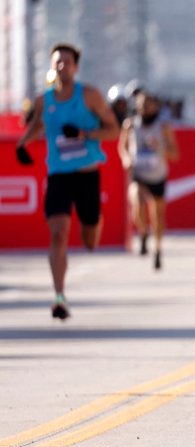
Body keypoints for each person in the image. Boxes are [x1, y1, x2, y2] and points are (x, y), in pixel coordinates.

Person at [15, 42, 119, 320]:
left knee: (90, 240)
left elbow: (113, 130)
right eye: (57, 62)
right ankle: (59, 296)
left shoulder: (90, 96)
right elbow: (38, 124)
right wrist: (22, 145)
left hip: (87, 174)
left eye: (67, 62)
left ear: (76, 67)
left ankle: (95, 223)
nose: (62, 66)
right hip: (59, 174)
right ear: (52, 66)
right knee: (58, 233)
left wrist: (85, 135)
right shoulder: (44, 101)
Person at [118, 91, 179, 270]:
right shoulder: (130, 125)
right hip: (139, 173)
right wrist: (126, 158)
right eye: (141, 104)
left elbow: (175, 154)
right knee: (136, 200)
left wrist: (160, 147)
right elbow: (122, 146)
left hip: (158, 175)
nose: (144, 107)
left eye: (148, 104)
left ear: (156, 106)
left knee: (158, 216)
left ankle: (158, 249)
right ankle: (143, 233)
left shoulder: (163, 127)